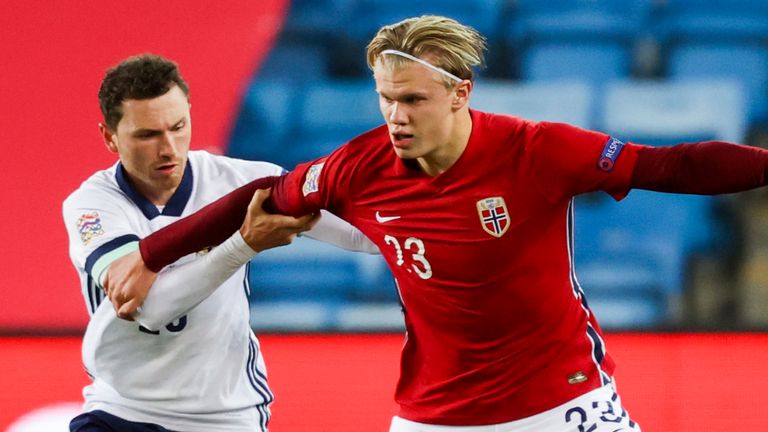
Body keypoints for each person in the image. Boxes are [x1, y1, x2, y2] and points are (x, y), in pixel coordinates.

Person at [105, 16, 768, 432]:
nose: (396, 115)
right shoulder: (360, 164)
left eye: (413, 99)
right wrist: (154, 251)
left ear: (460, 93)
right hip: (435, 417)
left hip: (560, 403)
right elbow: (262, 194)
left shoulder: (536, 151)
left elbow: (675, 164)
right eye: (387, 98)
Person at [62, 54, 377, 432]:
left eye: (178, 127)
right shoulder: (93, 206)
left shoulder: (245, 179)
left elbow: (363, 237)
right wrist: (243, 244)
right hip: (121, 410)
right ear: (110, 137)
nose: (169, 148)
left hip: (224, 416)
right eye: (147, 135)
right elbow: (151, 307)